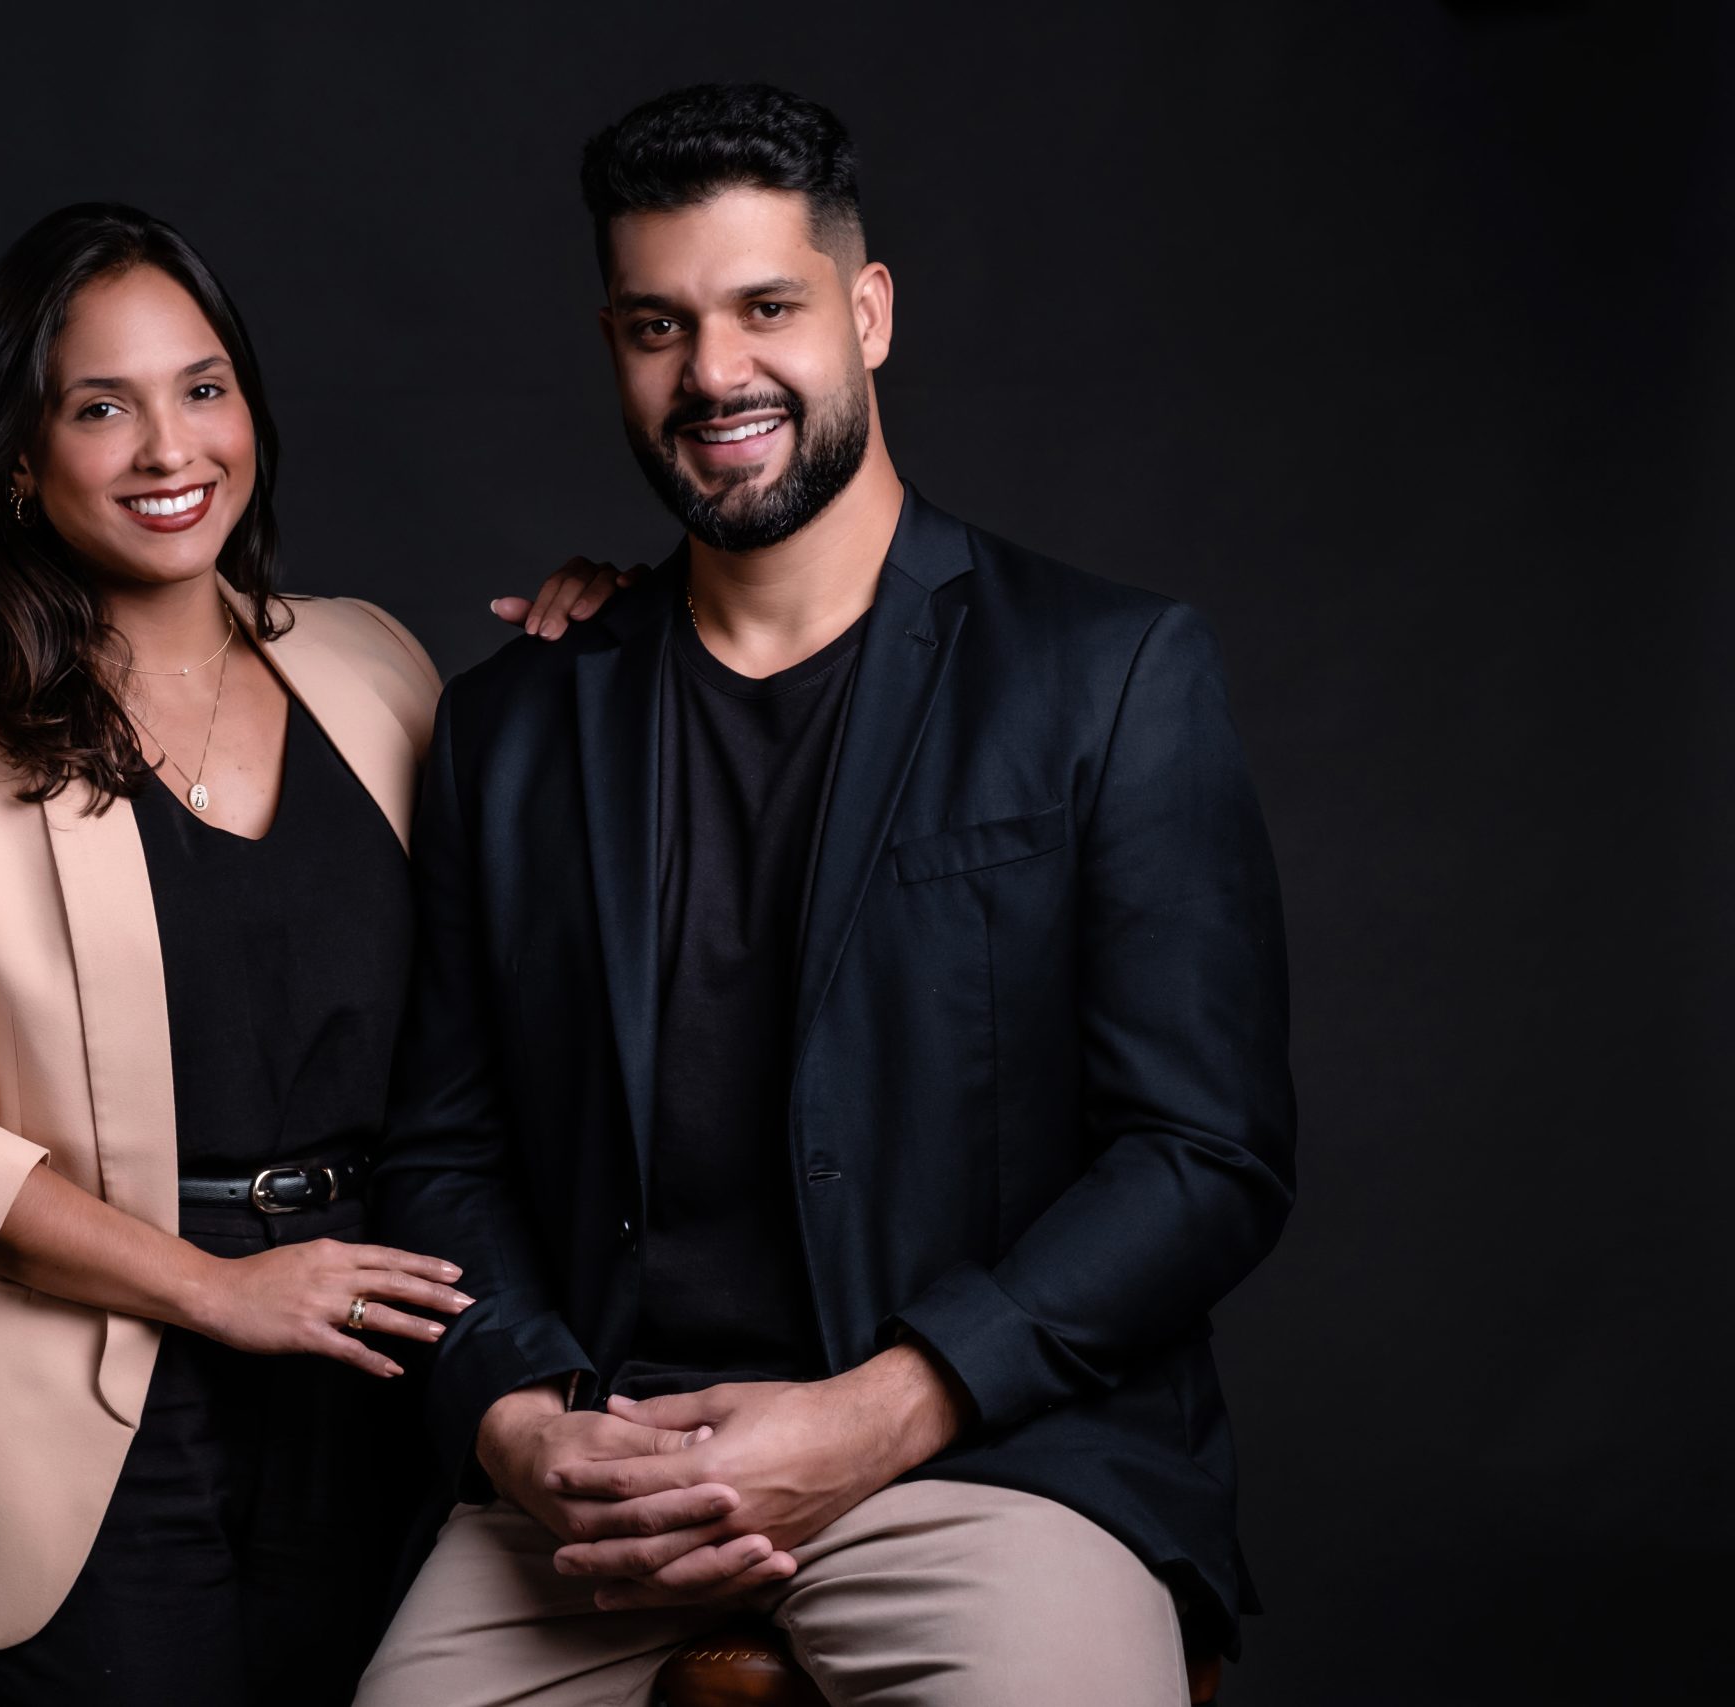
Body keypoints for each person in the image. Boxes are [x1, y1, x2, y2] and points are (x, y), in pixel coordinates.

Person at [357, 83, 1297, 1707]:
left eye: (766, 308)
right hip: (604, 1470)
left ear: (867, 314)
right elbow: (445, 1152)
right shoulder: (513, 726)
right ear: (613, 346)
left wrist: (889, 1407)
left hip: (989, 1458)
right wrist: (517, 1422)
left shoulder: (1105, 673)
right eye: (659, 325)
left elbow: (1206, 1155)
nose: (714, 372)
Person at [0, 202, 624, 1706]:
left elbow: (527, 964)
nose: (171, 449)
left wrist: (630, 640)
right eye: (101, 407)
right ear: (20, 458)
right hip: (90, 1394)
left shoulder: (371, 661)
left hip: (383, 1347)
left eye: (203, 387)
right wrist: (216, 1290)